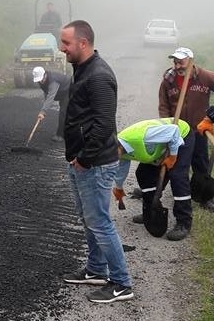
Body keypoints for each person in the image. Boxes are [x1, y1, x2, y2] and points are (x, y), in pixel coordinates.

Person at [59, 21, 133, 304]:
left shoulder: (99, 76)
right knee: (88, 219)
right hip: (80, 161)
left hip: (94, 164)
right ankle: (95, 269)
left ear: (83, 43)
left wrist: (85, 159)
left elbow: (103, 124)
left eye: (66, 43)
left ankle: (122, 283)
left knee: (100, 222)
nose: (61, 48)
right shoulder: (82, 70)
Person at [112, 118, 193, 240]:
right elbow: (121, 168)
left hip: (181, 136)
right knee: (143, 173)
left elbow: (174, 131)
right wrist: (119, 187)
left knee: (177, 176)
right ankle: (152, 212)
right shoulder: (120, 150)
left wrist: (173, 156)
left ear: (117, 146)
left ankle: (184, 222)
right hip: (161, 144)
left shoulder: (140, 137)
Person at [159, 47, 214, 210]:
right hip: (178, 131)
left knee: (201, 163)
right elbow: (163, 106)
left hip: (198, 130)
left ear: (191, 61)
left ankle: (204, 197)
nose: (177, 66)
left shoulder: (205, 77)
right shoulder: (168, 80)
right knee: (172, 162)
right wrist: (167, 126)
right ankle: (156, 191)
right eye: (175, 62)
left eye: (181, 62)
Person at [32, 65, 71, 141]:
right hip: (61, 93)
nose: (40, 81)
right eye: (38, 80)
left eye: (41, 79)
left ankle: (60, 136)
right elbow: (46, 93)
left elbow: (51, 96)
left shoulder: (53, 81)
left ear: (44, 74)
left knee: (63, 112)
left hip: (69, 90)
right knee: (66, 111)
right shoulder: (42, 81)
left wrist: (43, 111)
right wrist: (44, 109)